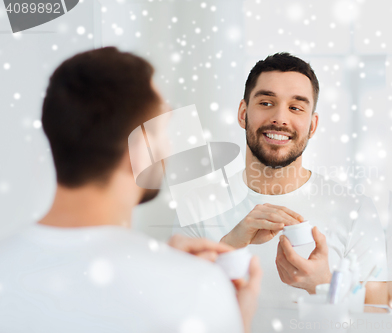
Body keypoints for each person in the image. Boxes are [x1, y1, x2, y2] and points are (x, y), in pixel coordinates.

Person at [0, 47, 261, 333]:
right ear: (141, 151)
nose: (169, 147)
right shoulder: (195, 290)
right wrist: (233, 318)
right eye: (162, 131)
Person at [173, 52, 390, 325]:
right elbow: (173, 310)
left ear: (312, 125)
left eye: (296, 108)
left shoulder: (356, 209)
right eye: (266, 102)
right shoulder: (197, 206)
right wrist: (229, 246)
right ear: (243, 113)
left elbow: (382, 319)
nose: (279, 118)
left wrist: (322, 285)